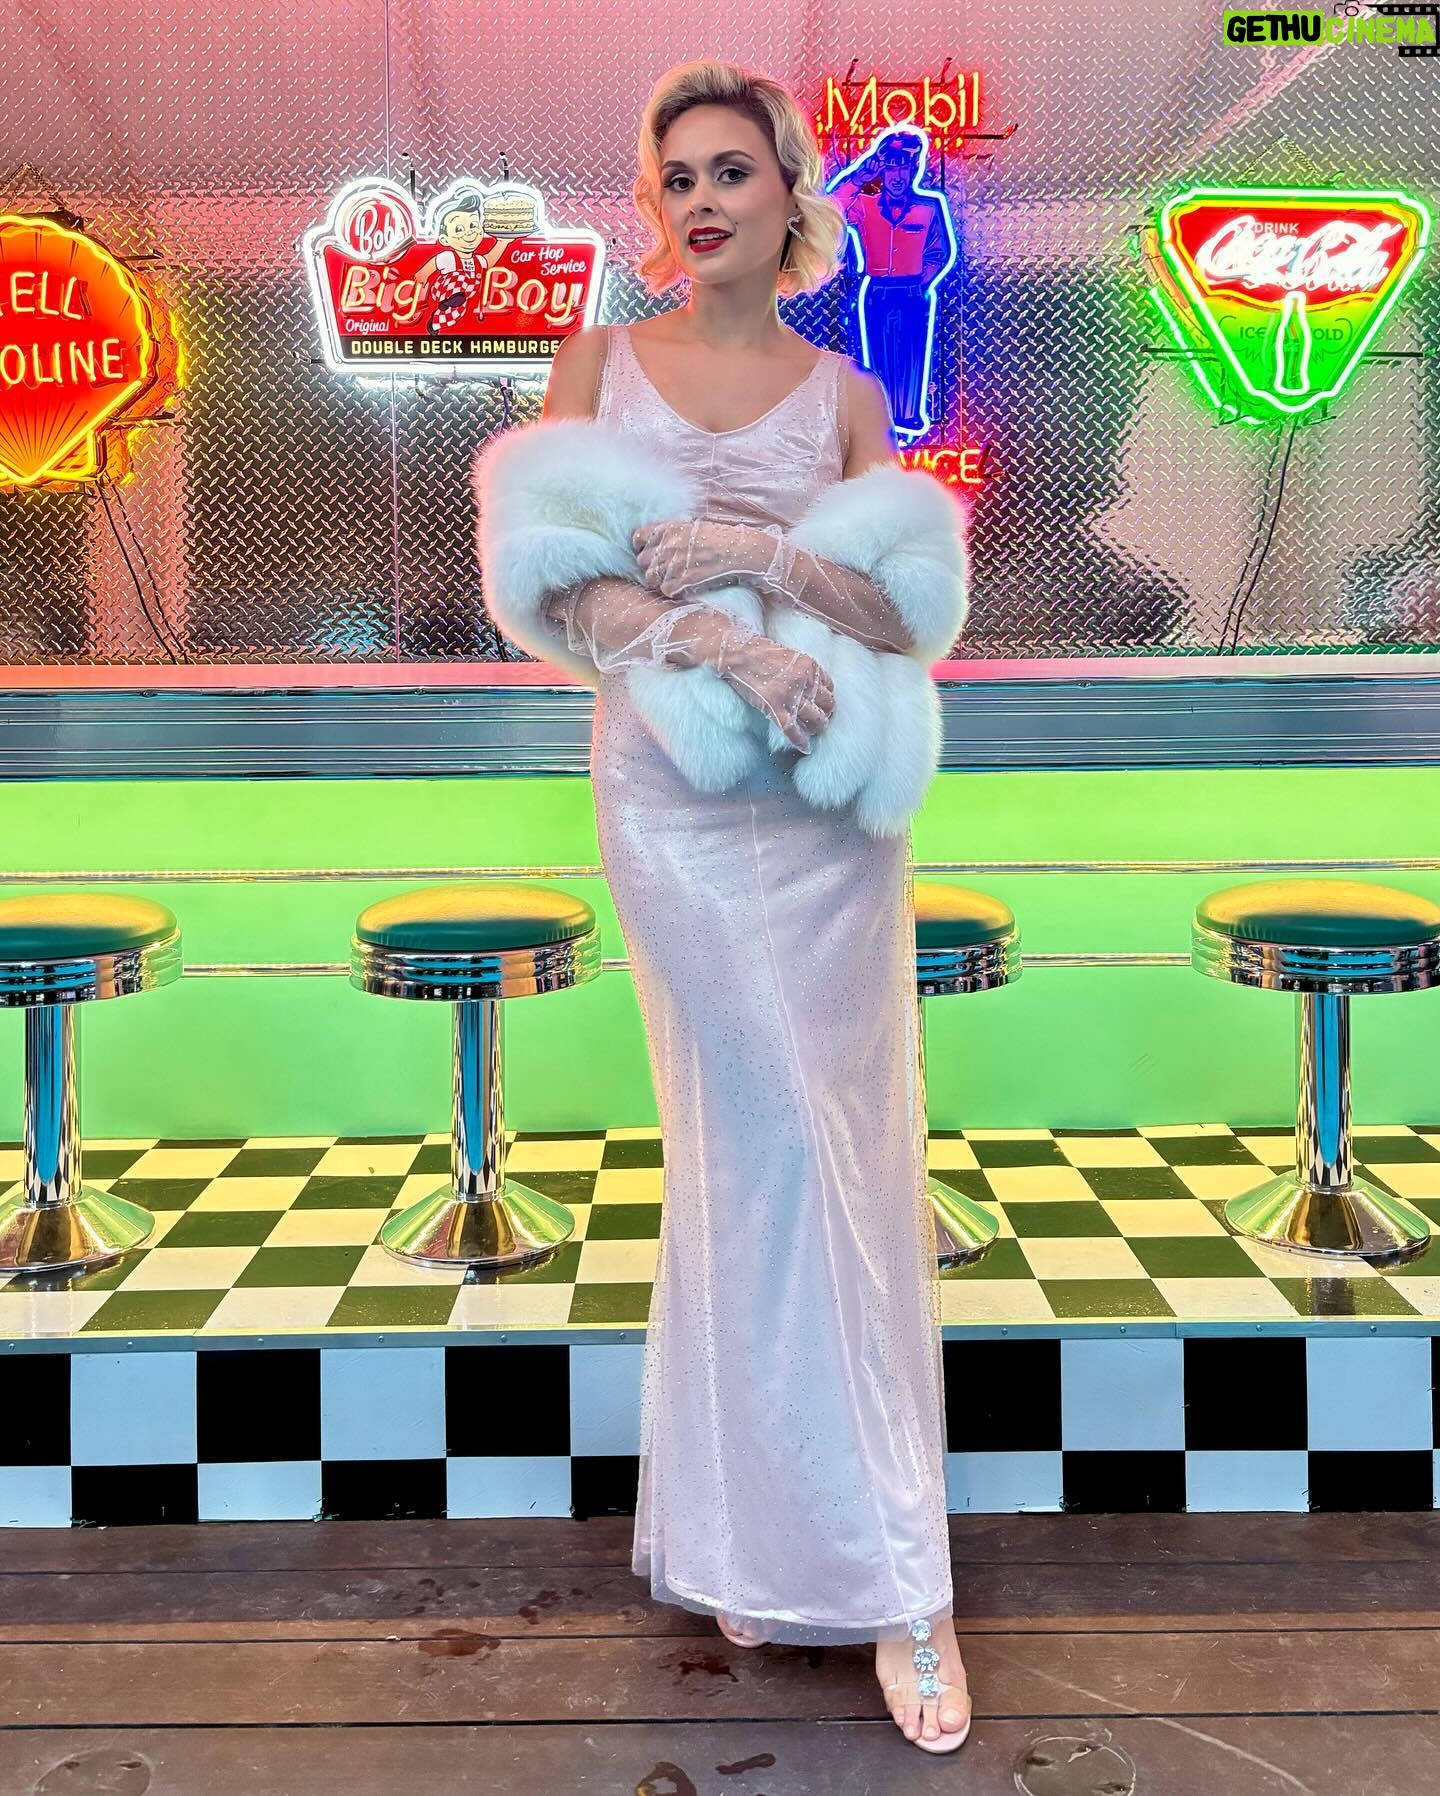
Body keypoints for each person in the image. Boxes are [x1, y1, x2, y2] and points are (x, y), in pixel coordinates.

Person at [531, 59, 970, 1753]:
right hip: (674, 807)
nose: (700, 199)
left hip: (825, 820)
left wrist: (773, 564)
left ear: (791, 190)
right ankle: (764, 1535)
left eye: (731, 169)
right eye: (676, 177)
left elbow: (904, 607)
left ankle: (904, 1585)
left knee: (843, 1146)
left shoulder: (846, 392)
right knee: (749, 1139)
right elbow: (557, 592)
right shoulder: (601, 364)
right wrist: (716, 637)